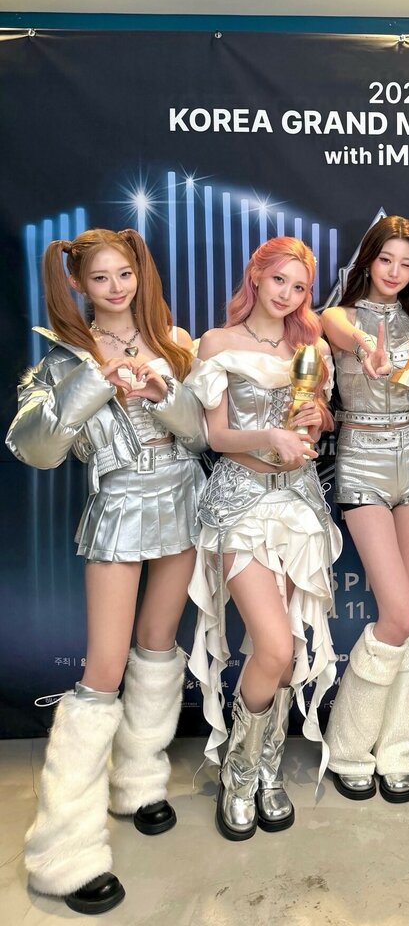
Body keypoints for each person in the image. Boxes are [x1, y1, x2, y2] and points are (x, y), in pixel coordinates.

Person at [6, 228, 207, 916]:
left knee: (159, 644)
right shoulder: (64, 358)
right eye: (101, 278)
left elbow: (200, 434)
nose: (117, 288)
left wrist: (160, 388)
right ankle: (62, 854)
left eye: (125, 274)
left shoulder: (173, 341)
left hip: (182, 496)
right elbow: (35, 450)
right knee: (104, 669)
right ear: (78, 284)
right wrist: (96, 379)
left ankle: (139, 781)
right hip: (119, 504)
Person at [186, 236, 340, 841]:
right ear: (256, 276)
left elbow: (316, 425)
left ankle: (268, 768)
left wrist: (316, 420)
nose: (288, 295)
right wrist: (268, 438)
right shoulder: (217, 343)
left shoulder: (313, 347)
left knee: (288, 653)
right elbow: (216, 437)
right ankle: (239, 771)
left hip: (298, 505)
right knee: (273, 648)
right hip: (240, 504)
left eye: (300, 287)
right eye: (279, 280)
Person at [321, 216, 409, 803]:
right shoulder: (337, 316)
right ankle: (347, 747)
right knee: (396, 611)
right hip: (361, 457)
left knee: (408, 615)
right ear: (367, 260)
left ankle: (397, 752)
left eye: (406, 264)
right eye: (386, 259)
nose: (394, 272)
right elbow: (341, 331)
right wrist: (371, 348)